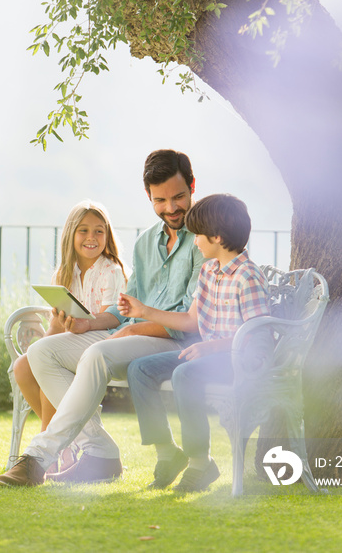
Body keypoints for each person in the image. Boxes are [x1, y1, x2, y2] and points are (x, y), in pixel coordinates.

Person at [0, 149, 204, 488]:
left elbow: (191, 318)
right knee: (41, 353)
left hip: (169, 340)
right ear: (148, 196)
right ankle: (100, 451)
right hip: (126, 336)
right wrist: (90, 324)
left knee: (96, 353)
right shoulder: (146, 243)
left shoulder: (205, 240)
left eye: (178, 196)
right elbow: (123, 308)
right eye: (160, 199)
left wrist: (132, 327)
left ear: (192, 186)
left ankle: (37, 458)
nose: (171, 208)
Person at [124, 194, 271, 493]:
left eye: (198, 235)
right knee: (139, 370)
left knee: (185, 373)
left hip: (240, 360)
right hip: (208, 356)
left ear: (217, 237)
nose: (194, 242)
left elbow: (258, 336)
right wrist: (144, 312)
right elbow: (192, 321)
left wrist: (212, 347)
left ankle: (200, 462)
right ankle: (167, 452)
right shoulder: (209, 271)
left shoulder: (247, 276)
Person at [13, 200, 127, 471]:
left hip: (102, 343)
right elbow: (55, 327)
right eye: (84, 230)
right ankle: (65, 442)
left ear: (107, 236)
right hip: (69, 344)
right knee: (24, 365)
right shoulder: (64, 274)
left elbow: (110, 319)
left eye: (99, 231)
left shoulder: (111, 271)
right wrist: (44, 342)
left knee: (45, 362)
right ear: (71, 235)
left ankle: (51, 449)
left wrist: (78, 327)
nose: (91, 238)